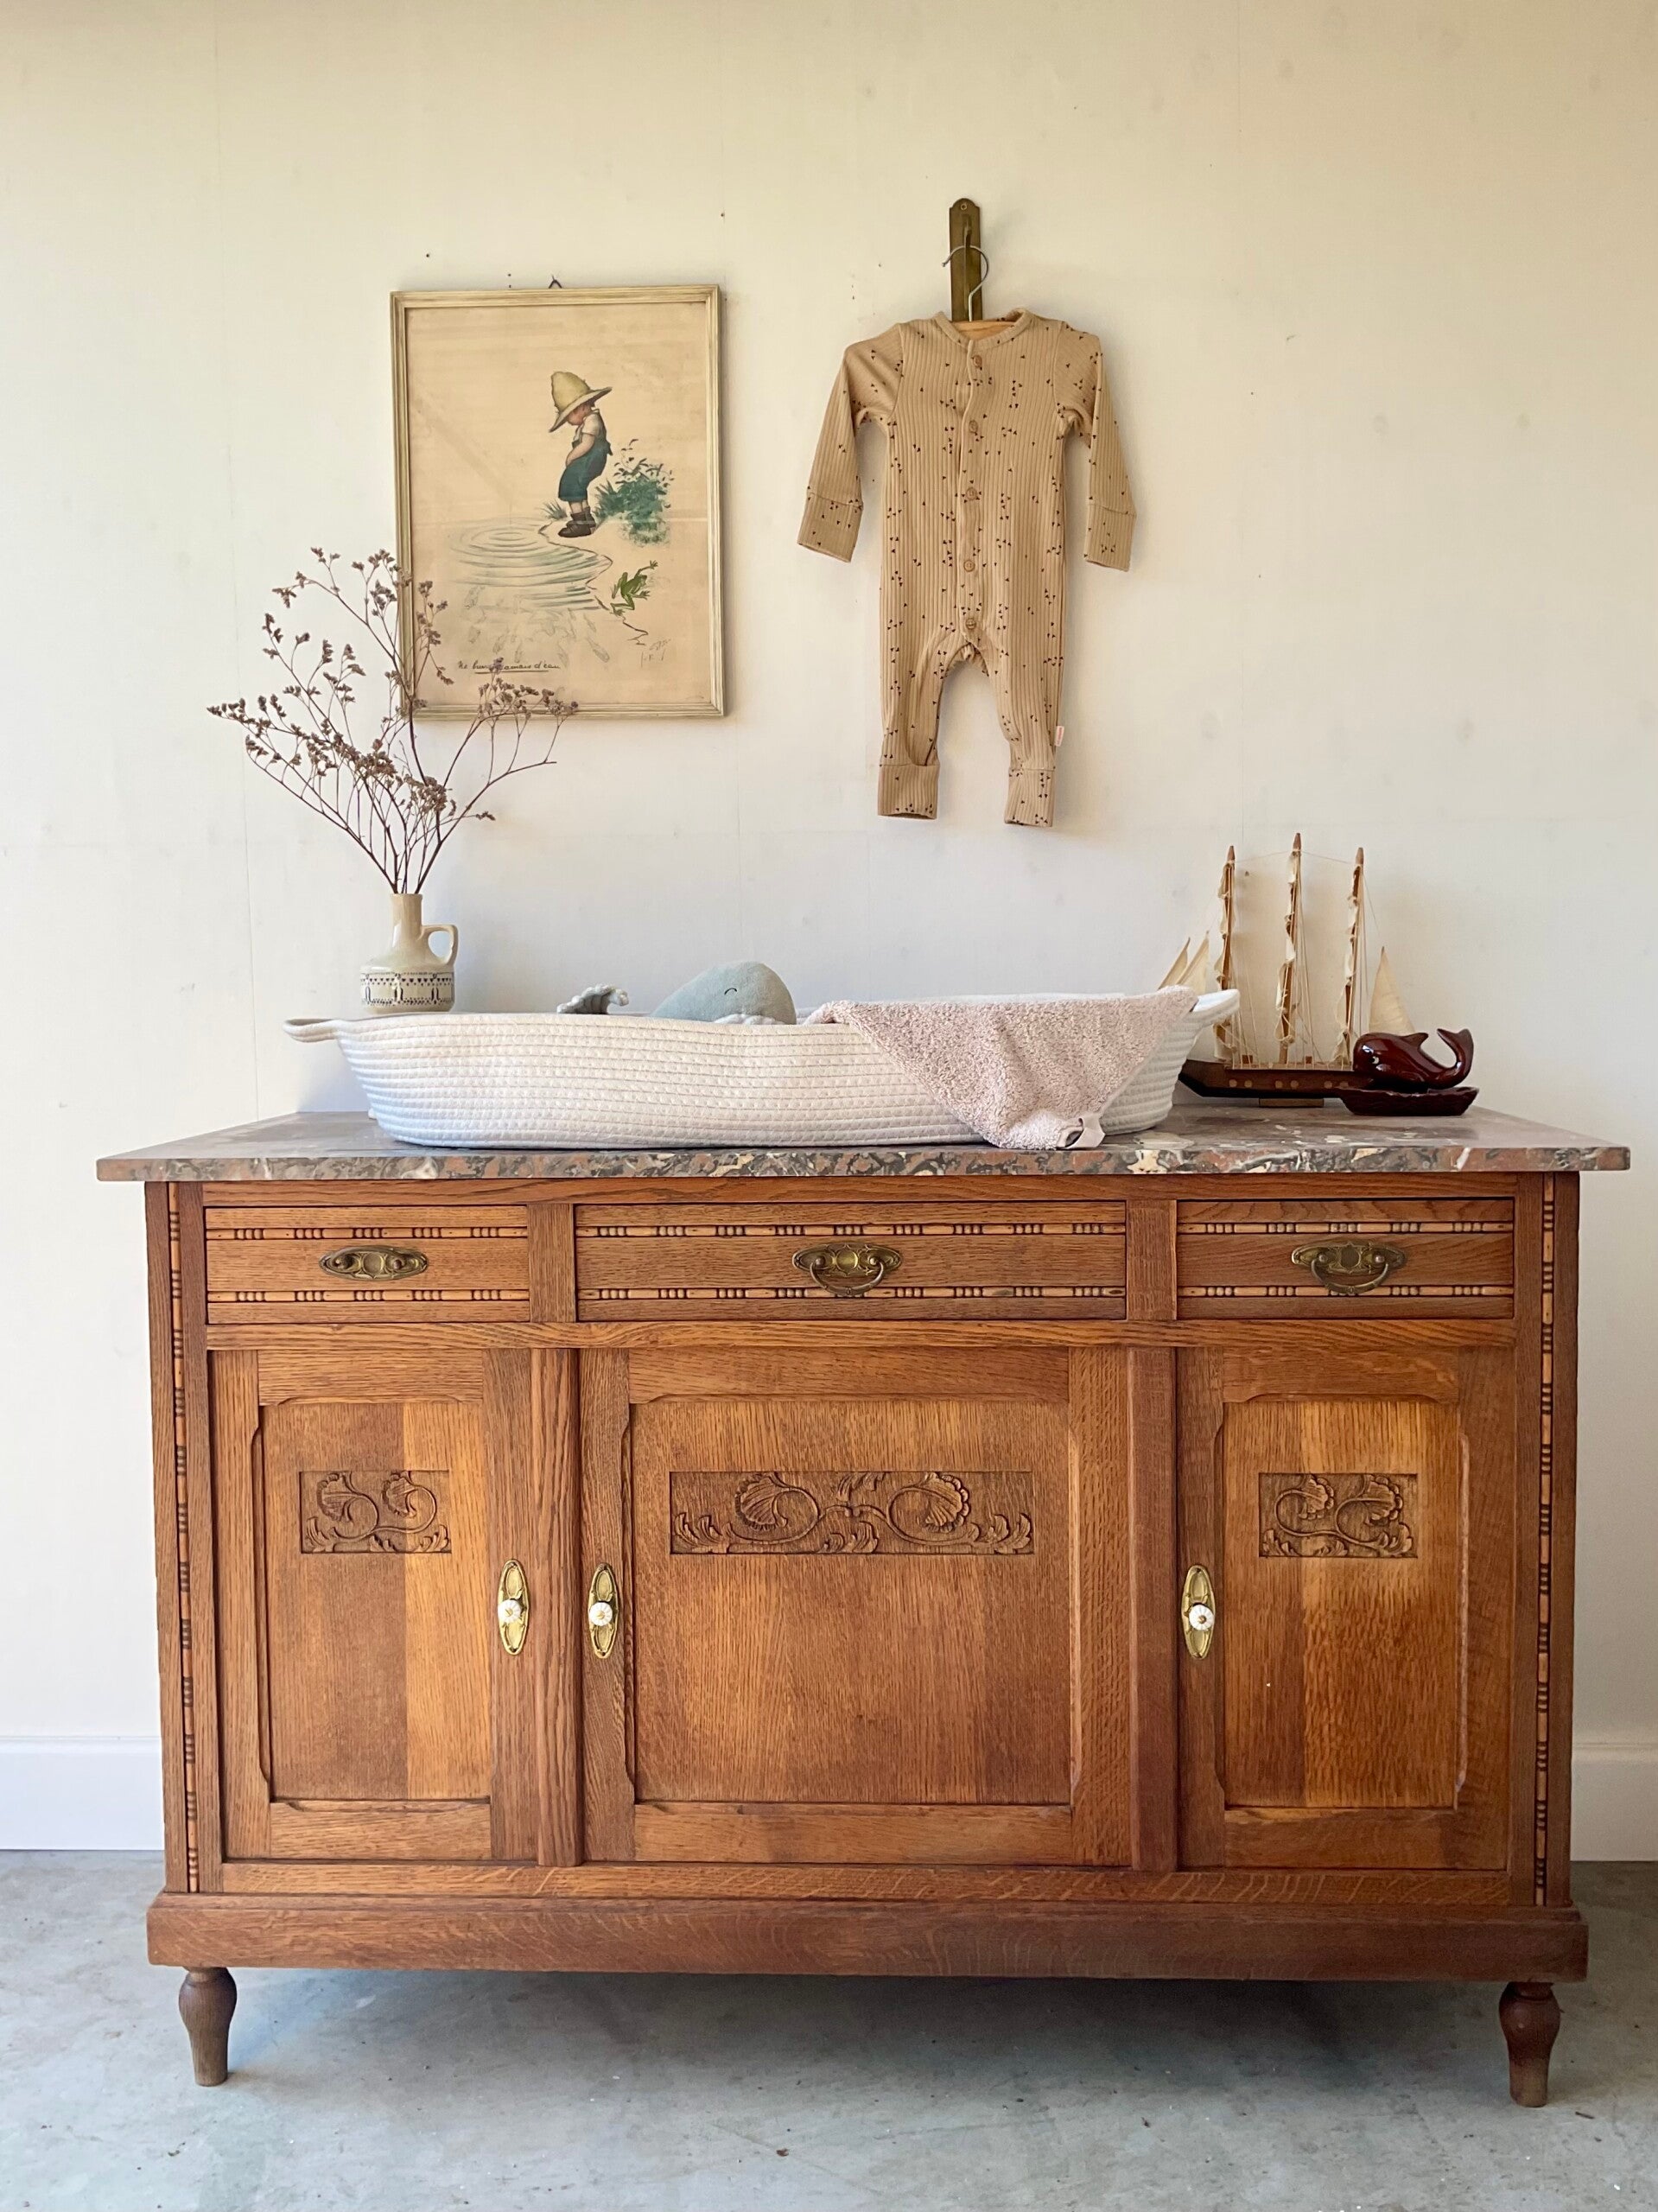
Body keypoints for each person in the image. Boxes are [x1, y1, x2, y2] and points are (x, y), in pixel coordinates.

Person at [549, 370, 612, 538]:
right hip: (588, 458)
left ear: (582, 407)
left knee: (571, 483)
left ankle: (580, 524)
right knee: (578, 485)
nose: (569, 422)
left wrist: (571, 457)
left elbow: (587, 444)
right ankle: (586, 519)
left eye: (569, 416)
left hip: (590, 458)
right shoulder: (590, 419)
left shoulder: (592, 420)